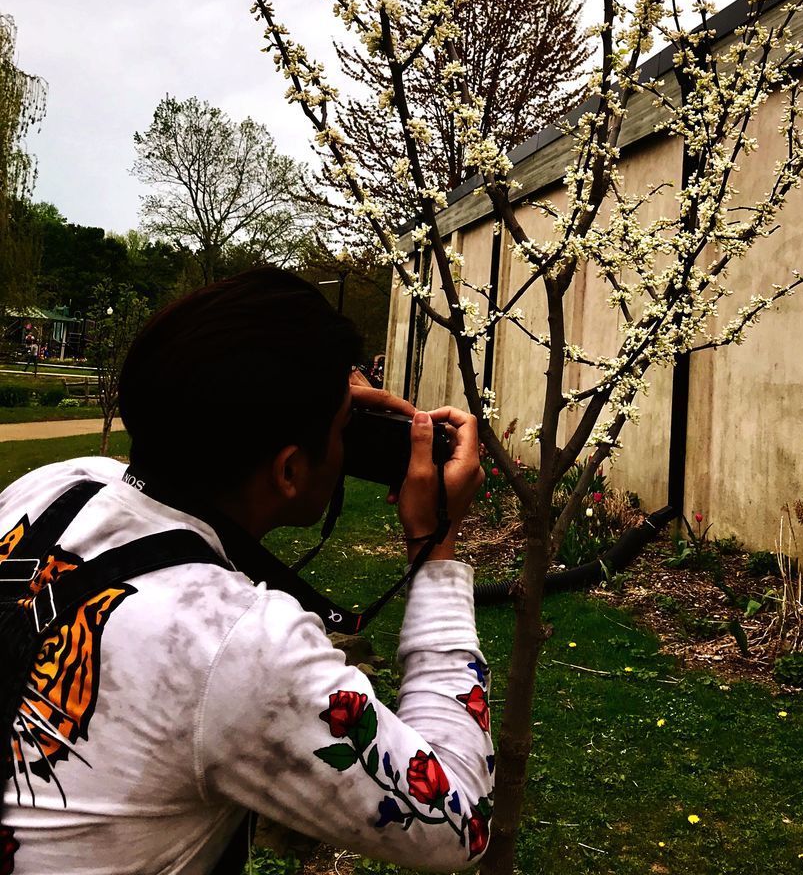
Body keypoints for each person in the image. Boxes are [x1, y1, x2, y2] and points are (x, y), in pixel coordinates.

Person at [0, 268, 491, 874]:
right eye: (343, 429)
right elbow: (460, 822)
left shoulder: (56, 487)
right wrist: (434, 543)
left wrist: (304, 405)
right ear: (288, 471)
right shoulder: (238, 645)